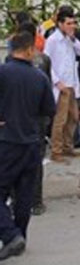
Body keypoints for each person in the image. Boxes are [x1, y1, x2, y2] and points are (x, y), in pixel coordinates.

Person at [0, 32, 56, 261]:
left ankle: (11, 235)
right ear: (29, 50)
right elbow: (49, 110)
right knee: (24, 195)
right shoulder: (39, 76)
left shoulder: (3, 73)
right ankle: (19, 235)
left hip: (7, 141)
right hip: (32, 142)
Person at [14, 22, 53, 216]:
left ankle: (17, 198)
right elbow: (48, 96)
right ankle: (36, 201)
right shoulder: (43, 60)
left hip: (17, 119)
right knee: (36, 160)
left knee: (16, 159)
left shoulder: (9, 62)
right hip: (37, 118)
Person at [44, 9, 80, 163]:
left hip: (72, 83)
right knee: (60, 120)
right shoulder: (53, 40)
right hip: (61, 85)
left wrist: (73, 38)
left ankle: (68, 147)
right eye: (68, 23)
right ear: (60, 24)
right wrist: (56, 81)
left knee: (73, 117)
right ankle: (56, 150)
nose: (71, 26)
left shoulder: (70, 39)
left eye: (73, 23)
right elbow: (47, 62)